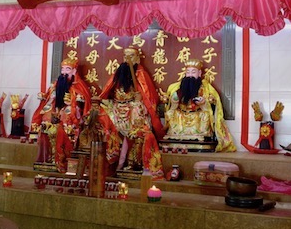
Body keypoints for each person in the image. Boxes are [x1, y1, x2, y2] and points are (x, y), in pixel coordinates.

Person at [99, 47, 164, 178]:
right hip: (116, 110)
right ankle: (111, 162)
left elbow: (149, 99)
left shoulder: (141, 75)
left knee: (139, 130)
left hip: (134, 109)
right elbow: (107, 92)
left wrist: (139, 100)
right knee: (103, 119)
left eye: (131, 56)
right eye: (125, 56)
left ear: (137, 59)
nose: (127, 59)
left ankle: (134, 162)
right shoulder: (118, 75)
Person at [30, 57, 90, 173]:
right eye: (63, 69)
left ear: (74, 71)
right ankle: (47, 157)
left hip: (69, 110)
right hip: (55, 108)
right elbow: (49, 97)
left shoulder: (78, 85)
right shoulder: (56, 84)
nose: (64, 72)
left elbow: (84, 101)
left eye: (68, 69)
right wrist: (46, 97)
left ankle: (61, 158)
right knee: (46, 118)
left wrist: (72, 101)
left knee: (67, 118)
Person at [164, 59, 236, 152]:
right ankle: (175, 135)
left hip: (197, 116)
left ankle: (201, 136)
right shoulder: (175, 87)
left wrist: (204, 104)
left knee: (205, 115)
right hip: (180, 116)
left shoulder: (206, 87)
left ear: (199, 73)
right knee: (171, 114)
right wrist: (174, 102)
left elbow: (214, 104)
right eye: (188, 72)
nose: (190, 75)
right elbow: (170, 105)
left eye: (193, 72)